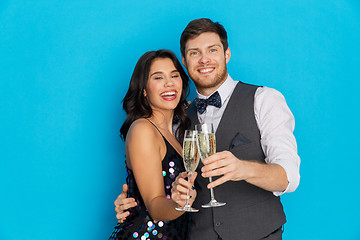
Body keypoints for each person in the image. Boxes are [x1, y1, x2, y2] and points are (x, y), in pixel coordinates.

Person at [114, 18, 301, 240]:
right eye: (194, 53)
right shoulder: (177, 119)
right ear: (184, 61)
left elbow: (289, 177)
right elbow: (158, 183)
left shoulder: (264, 100)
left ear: (227, 54)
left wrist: (242, 168)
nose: (204, 59)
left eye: (212, 50)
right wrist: (134, 203)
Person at [109, 49, 198, 240]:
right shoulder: (143, 129)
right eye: (158, 78)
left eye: (174, 75)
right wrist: (178, 202)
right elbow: (156, 206)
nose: (169, 83)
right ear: (144, 90)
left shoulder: (176, 131)